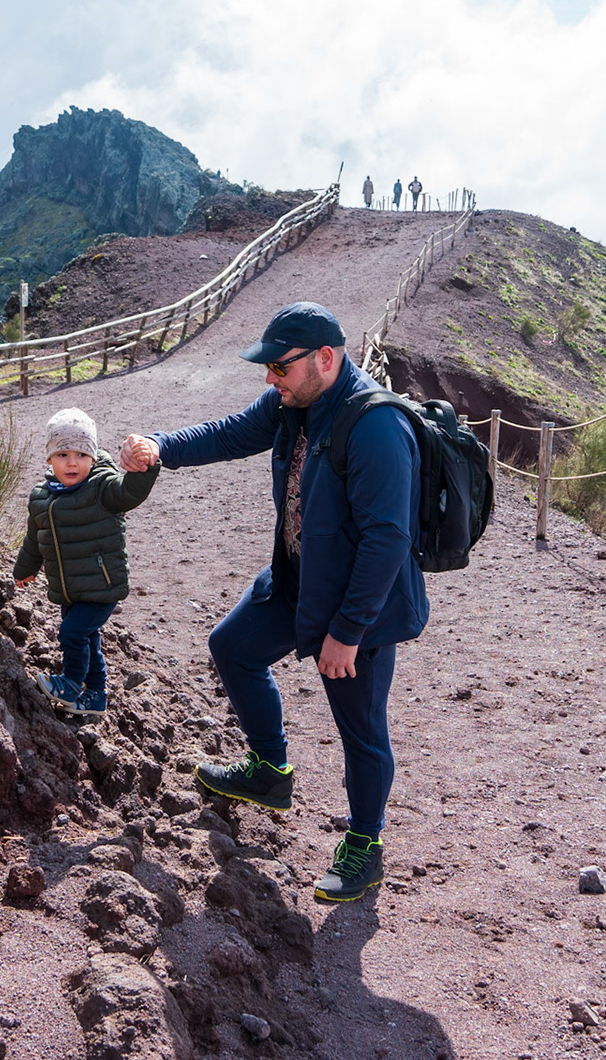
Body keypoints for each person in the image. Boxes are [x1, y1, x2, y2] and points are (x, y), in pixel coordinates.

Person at [119, 302, 425, 902]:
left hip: (359, 604)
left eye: (279, 367)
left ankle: (365, 845)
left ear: (325, 359)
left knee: (361, 729)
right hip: (298, 581)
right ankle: (269, 770)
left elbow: (388, 540)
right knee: (233, 646)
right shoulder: (293, 403)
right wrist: (159, 445)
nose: (269, 378)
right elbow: (230, 433)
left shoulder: (376, 426)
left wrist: (348, 632)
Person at [14, 409, 160, 717]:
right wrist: (25, 569)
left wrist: (143, 467)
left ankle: (70, 683)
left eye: (81, 454)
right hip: (70, 590)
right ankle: (95, 696)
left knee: (72, 633)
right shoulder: (41, 497)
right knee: (87, 639)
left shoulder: (102, 488)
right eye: (63, 454)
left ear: (92, 458)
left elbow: (129, 492)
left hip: (101, 587)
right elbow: (34, 539)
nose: (72, 463)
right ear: (49, 459)